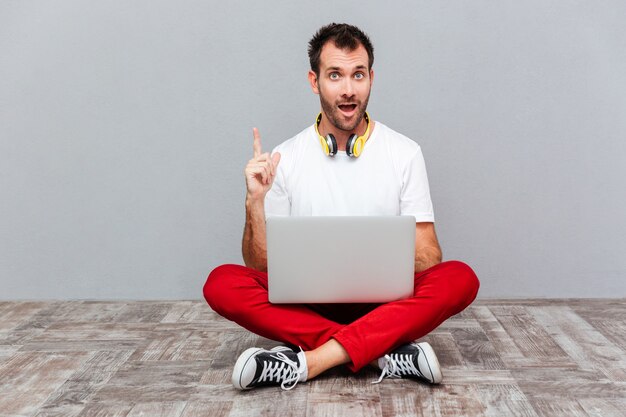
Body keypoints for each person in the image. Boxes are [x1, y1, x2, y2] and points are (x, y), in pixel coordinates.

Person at [203, 23, 479, 391]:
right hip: (307, 307)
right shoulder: (286, 157)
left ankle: (312, 361)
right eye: (335, 75)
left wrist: (379, 260)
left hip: (385, 305)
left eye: (358, 74)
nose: (348, 89)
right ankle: (381, 351)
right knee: (221, 282)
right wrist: (255, 201)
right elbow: (259, 265)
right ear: (314, 81)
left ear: (371, 78)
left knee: (460, 277)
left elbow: (430, 255)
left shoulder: (405, 152)